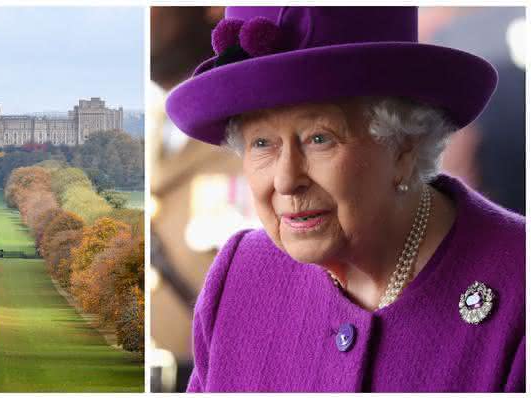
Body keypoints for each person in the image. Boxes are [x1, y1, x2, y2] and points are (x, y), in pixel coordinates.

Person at [165, 6, 524, 392]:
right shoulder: (240, 274)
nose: (286, 180)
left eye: (319, 139)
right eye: (262, 143)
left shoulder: (519, 284)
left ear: (403, 145)